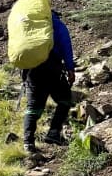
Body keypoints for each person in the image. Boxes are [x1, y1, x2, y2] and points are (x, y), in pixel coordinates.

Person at [22, 9, 75, 156]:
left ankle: (28, 143)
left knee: (33, 108)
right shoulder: (56, 24)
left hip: (32, 71)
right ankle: (53, 132)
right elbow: (66, 46)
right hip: (52, 69)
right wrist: (70, 69)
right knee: (65, 99)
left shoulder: (27, 25)